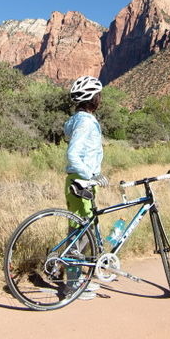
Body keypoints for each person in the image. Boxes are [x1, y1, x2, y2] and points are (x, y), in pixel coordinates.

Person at [63, 76, 109, 300]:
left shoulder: (76, 119)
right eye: (99, 95)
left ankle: (77, 279)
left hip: (76, 180)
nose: (101, 98)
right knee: (80, 235)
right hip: (82, 182)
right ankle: (73, 286)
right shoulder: (86, 122)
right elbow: (73, 153)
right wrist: (90, 175)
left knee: (81, 231)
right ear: (93, 98)